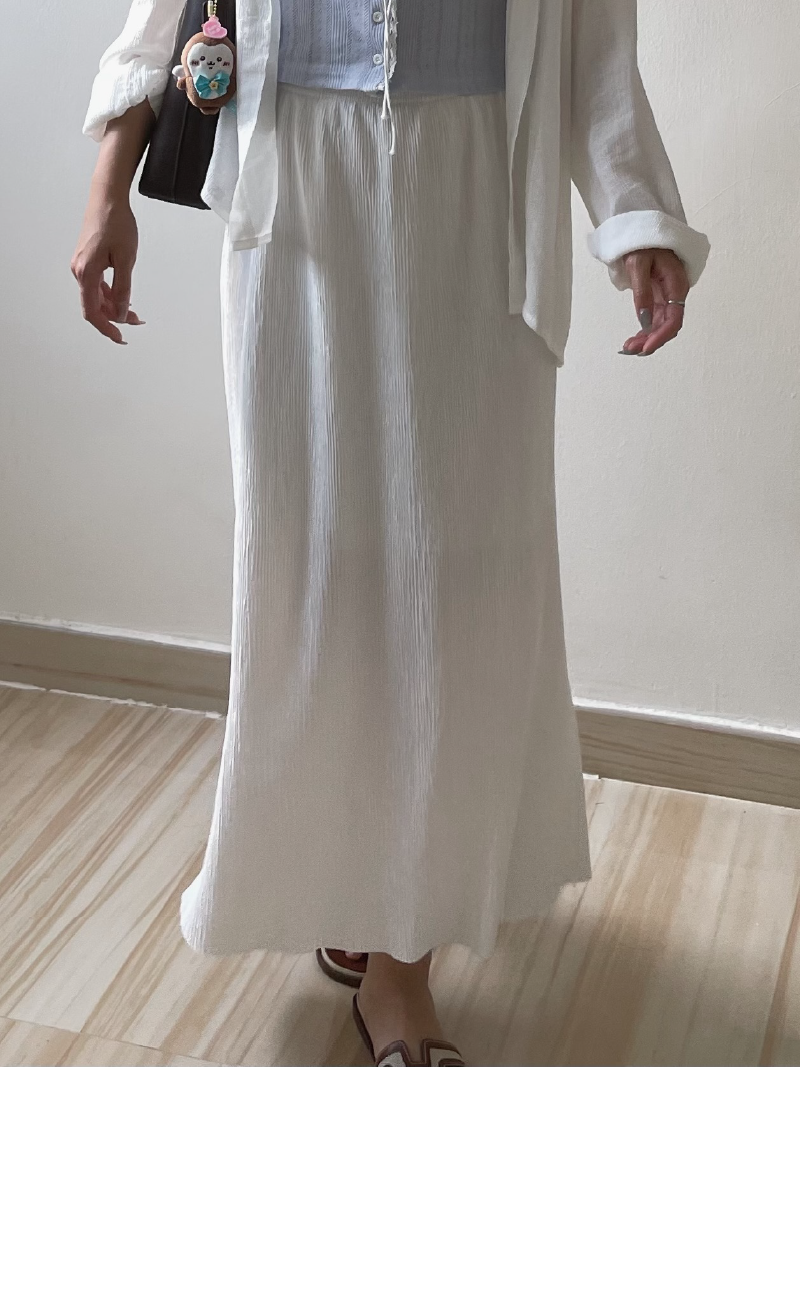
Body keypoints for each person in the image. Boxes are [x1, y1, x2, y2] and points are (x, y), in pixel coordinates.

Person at [73, 0, 710, 1067]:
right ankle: (348, 879)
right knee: (314, 570)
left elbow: (595, 53)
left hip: (477, 195)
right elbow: (156, 26)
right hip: (296, 198)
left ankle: (401, 960)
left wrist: (637, 215)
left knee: (452, 581)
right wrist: (105, 196)